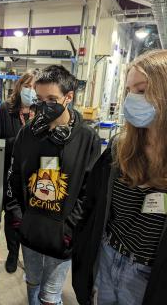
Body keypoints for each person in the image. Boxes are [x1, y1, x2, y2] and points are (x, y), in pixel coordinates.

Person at [71, 49, 167, 305]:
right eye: (128, 91)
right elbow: (91, 206)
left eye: (141, 90)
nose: (131, 99)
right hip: (107, 258)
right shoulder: (119, 149)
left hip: (148, 278)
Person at [6, 65, 100, 305]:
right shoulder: (27, 134)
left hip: (62, 235)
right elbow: (14, 178)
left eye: (52, 99)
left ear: (68, 97)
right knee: (32, 283)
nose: (44, 105)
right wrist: (18, 218)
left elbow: (89, 192)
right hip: (30, 230)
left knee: (50, 296)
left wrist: (70, 230)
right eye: (40, 99)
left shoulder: (87, 138)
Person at [0, 71, 37, 273]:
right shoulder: (4, 110)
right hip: (8, 173)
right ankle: (12, 252)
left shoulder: (41, 111)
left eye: (36, 88)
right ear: (19, 87)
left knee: (29, 216)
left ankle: (28, 253)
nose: (31, 91)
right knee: (12, 215)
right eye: (28, 86)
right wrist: (19, 141)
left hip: (33, 175)